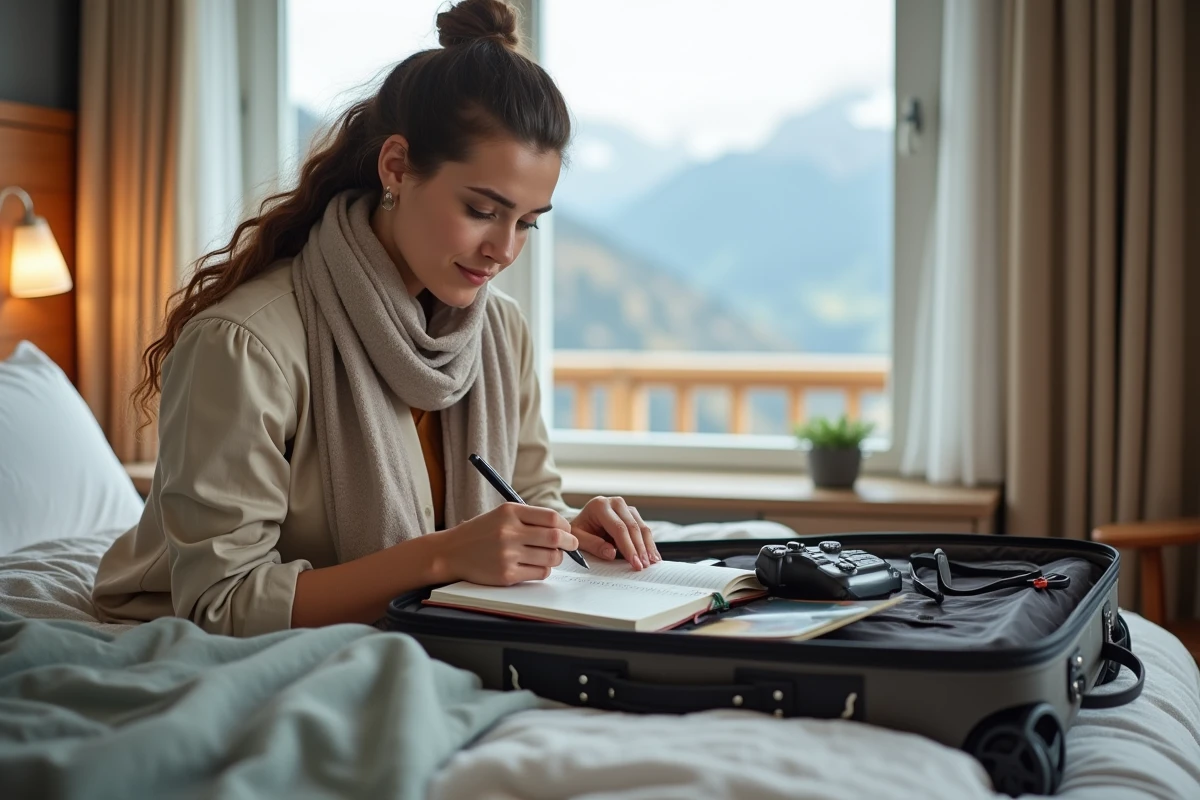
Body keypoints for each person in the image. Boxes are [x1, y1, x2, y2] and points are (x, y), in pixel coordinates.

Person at [92, 0, 660, 638]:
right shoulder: (245, 345)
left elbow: (524, 496)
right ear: (396, 167)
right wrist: (442, 558)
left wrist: (568, 529)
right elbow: (222, 604)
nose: (504, 250)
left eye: (527, 222)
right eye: (481, 209)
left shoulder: (501, 333)